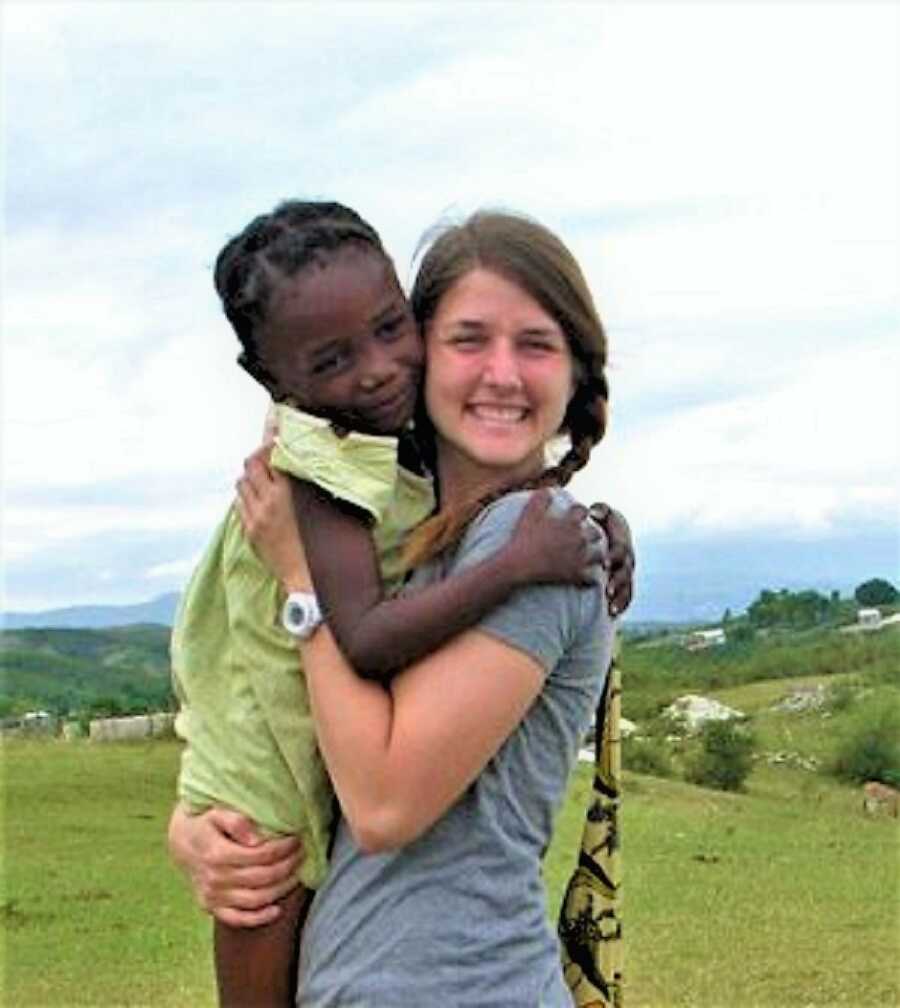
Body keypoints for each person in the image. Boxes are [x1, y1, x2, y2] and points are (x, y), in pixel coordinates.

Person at [170, 209, 631, 1005]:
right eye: (468, 339)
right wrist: (197, 828)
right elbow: (314, 735)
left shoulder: (533, 542)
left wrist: (300, 586)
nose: (501, 373)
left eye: (536, 344)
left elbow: (382, 805)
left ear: (577, 372)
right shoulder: (412, 523)